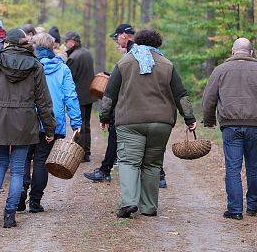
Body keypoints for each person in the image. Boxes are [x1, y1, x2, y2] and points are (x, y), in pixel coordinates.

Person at [99, 29, 196, 218]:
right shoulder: (167, 64)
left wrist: (104, 117)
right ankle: (149, 207)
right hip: (161, 123)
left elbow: (109, 94)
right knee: (152, 164)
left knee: (129, 161)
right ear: (157, 44)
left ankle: (128, 203)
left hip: (130, 122)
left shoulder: (125, 62)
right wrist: (189, 118)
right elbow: (180, 94)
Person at [0, 28, 56, 228]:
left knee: (0, 164)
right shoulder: (35, 66)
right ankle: (9, 214)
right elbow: (44, 102)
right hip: (24, 123)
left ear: (7, 43)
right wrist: (50, 128)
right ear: (24, 43)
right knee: (17, 170)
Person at [202, 37, 257, 220]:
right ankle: (253, 205)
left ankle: (235, 209)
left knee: (233, 168)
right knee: (254, 166)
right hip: (256, 127)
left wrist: (209, 120)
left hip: (230, 126)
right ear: (251, 53)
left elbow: (209, 98)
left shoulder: (220, 70)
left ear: (232, 52)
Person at [85, 23, 168, 188]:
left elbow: (130, 78)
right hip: (143, 104)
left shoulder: (135, 50)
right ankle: (106, 169)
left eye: (117, 37)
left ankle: (155, 175)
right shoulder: (144, 52)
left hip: (131, 104)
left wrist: (105, 115)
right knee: (130, 140)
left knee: (124, 138)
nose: (117, 41)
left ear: (124, 35)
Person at [19, 32, 82, 213]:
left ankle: (21, 191)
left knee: (23, 158)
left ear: (35, 47)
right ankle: (35, 202)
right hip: (52, 123)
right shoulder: (62, 69)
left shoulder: (28, 66)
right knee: (40, 161)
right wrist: (76, 122)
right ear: (52, 47)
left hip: (26, 121)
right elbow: (70, 96)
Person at [63, 31, 96, 162]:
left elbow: (69, 79)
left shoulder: (74, 57)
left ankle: (80, 154)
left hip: (78, 97)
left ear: (73, 41)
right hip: (89, 95)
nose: (65, 44)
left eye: (66, 41)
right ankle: (86, 152)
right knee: (86, 125)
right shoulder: (87, 53)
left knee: (78, 126)